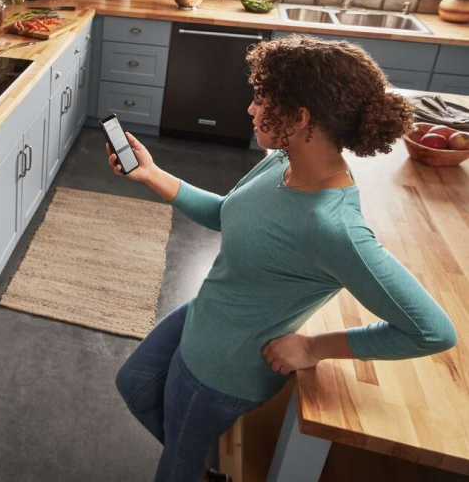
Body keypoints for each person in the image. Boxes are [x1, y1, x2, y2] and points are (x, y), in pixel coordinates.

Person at [108, 35, 456, 482]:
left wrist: (314, 347)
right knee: (134, 384)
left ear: (299, 117)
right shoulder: (282, 162)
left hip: (223, 371)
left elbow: (433, 331)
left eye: (260, 99)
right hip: (206, 315)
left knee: (176, 463)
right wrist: (152, 174)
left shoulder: (333, 227)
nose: (251, 110)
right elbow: (224, 214)